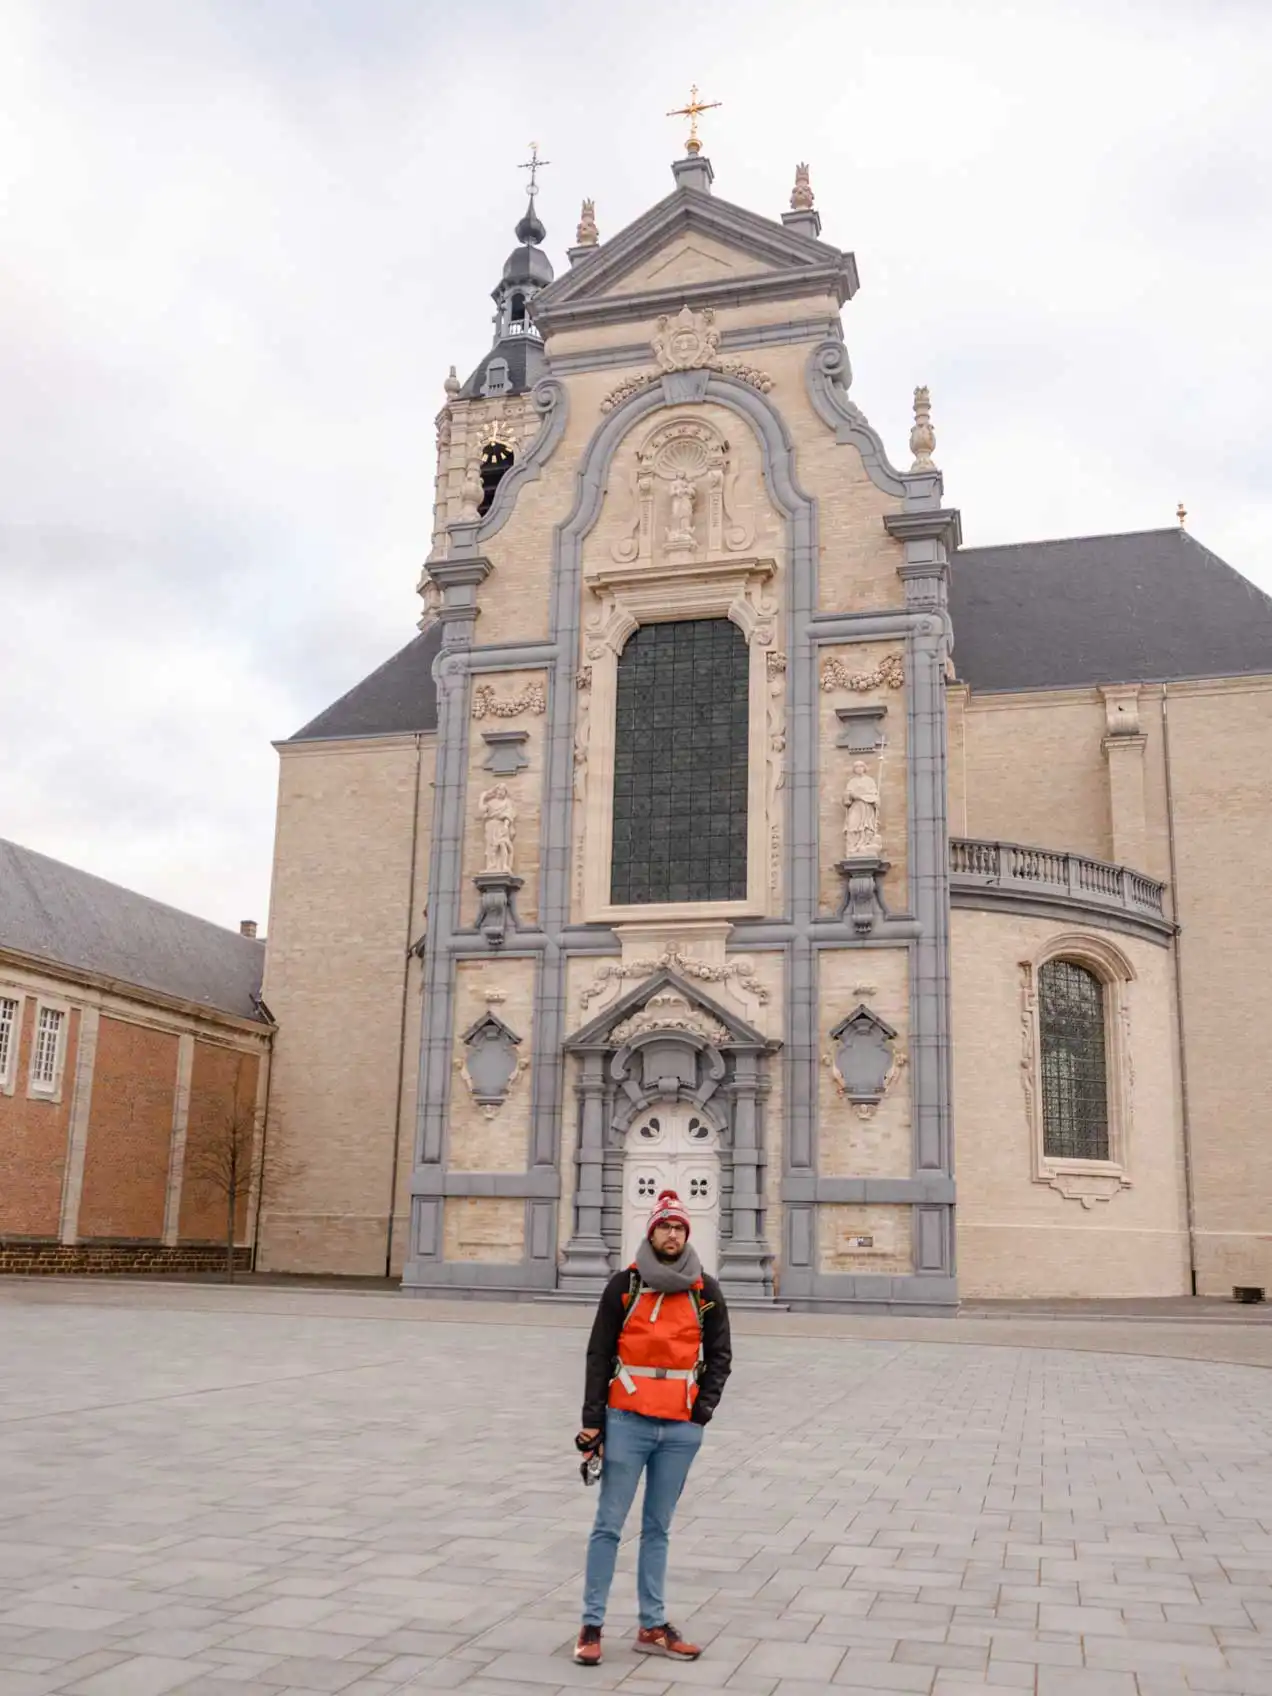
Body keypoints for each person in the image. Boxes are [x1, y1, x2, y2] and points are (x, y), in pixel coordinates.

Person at [573, 1189, 732, 1667]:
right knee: (608, 1526)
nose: (672, 1234)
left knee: (658, 1528)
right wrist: (591, 1423)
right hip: (626, 1422)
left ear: (687, 1234)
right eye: (665, 1227)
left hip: (680, 1429)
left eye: (679, 1228)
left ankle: (652, 1625)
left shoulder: (705, 1290)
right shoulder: (625, 1285)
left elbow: (720, 1355)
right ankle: (591, 1625)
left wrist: (701, 1411)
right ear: (651, 1232)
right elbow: (599, 1354)